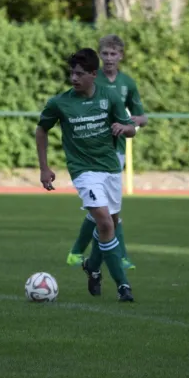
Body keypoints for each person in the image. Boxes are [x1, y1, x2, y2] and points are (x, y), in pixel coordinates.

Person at [35, 47, 136, 302]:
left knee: (110, 223)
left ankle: (92, 266)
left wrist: (124, 127)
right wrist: (44, 167)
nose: (73, 79)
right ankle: (123, 286)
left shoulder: (109, 97)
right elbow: (41, 130)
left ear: (93, 74)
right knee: (104, 221)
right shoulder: (60, 103)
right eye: (71, 73)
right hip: (83, 171)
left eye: (79, 74)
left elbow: (132, 129)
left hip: (110, 169)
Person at [66, 34, 148, 271]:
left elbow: (143, 118)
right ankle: (117, 256)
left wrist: (130, 123)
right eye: (105, 54)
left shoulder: (127, 83)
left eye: (114, 54)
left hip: (116, 151)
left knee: (110, 212)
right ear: (100, 56)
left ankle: (79, 253)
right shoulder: (91, 77)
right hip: (91, 153)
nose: (109, 58)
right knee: (106, 212)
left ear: (121, 56)